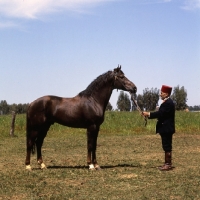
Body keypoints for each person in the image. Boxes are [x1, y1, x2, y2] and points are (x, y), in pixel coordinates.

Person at [143, 85, 175, 171]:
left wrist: (148, 114)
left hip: (167, 128)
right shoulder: (166, 102)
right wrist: (148, 115)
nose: (160, 94)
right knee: (165, 146)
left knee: (167, 146)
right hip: (165, 128)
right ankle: (166, 163)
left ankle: (168, 164)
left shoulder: (168, 103)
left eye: (162, 93)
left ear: (167, 94)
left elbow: (160, 114)